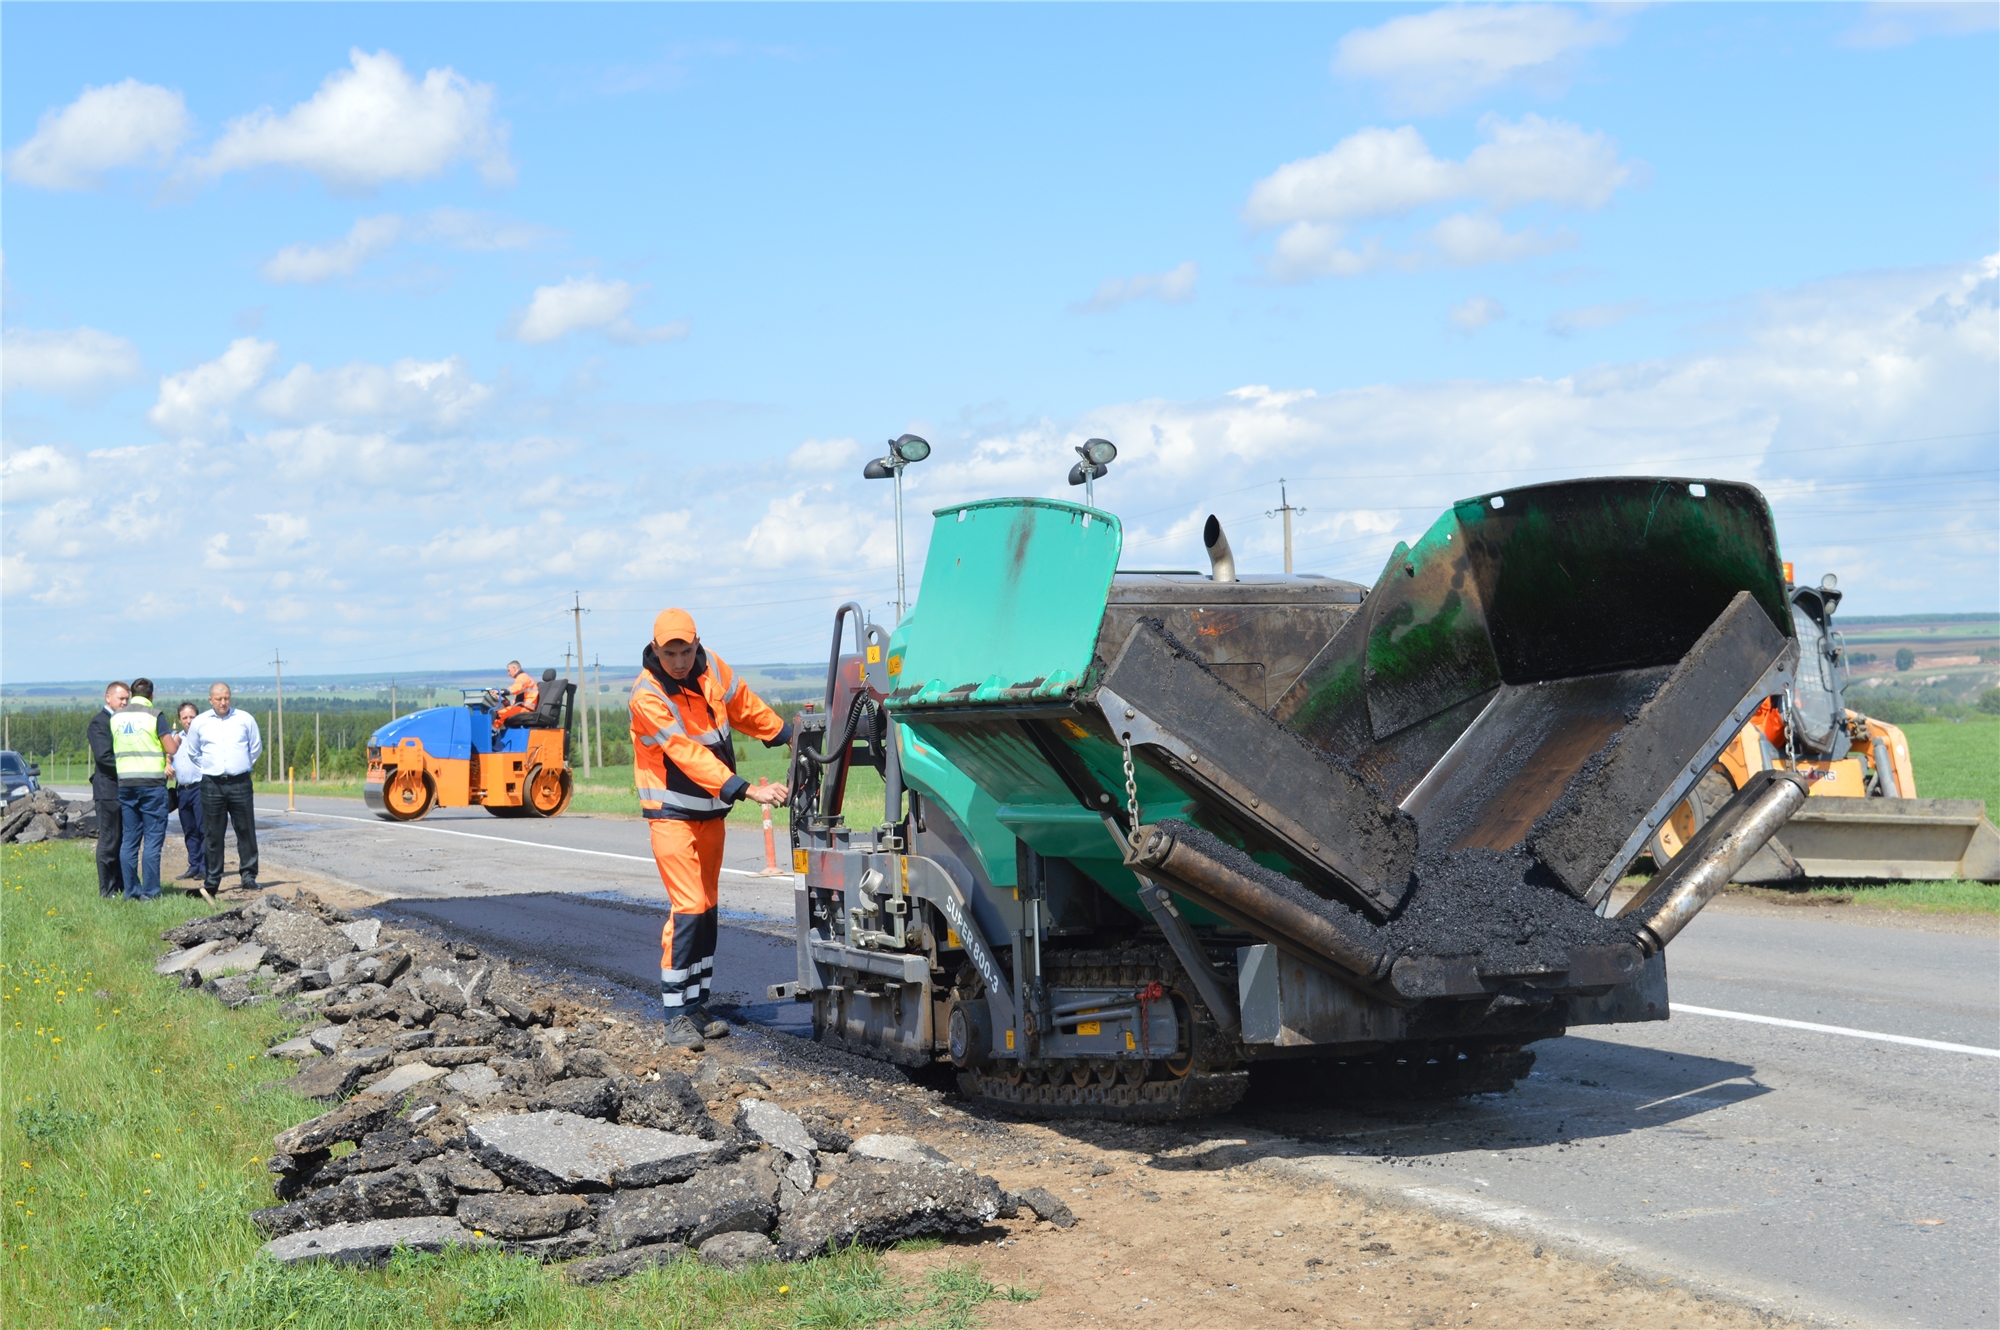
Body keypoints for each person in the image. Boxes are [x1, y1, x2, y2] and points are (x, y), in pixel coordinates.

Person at [630, 608, 791, 1049]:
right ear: (655, 649)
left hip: (709, 811)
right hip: (671, 813)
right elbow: (686, 753)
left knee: (708, 909)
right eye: (670, 653)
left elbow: (743, 705)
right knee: (690, 907)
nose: (679, 661)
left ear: (697, 644)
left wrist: (785, 733)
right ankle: (675, 1017)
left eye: (686, 651)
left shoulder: (712, 667)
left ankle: (697, 1006)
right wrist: (744, 789)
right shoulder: (646, 695)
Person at [183, 682, 262, 895]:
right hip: (212, 784)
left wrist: (240, 766)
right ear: (210, 700)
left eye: (226, 698)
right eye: (218, 699)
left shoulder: (245, 719)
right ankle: (212, 880)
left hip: (240, 782)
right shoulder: (200, 722)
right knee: (212, 834)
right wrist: (212, 767)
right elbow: (193, 752)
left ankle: (248, 876)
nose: (223, 702)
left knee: (245, 831)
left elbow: (255, 748)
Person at [109, 677, 178, 901]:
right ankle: (150, 893)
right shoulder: (155, 715)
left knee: (129, 840)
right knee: (152, 840)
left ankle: (131, 891)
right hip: (151, 785)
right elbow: (170, 748)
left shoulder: (116, 717)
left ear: (131, 694)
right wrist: (174, 742)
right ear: (152, 695)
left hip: (126, 784)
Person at [84, 681, 129, 899]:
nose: (124, 702)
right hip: (108, 791)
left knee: (122, 841)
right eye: (121, 698)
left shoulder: (125, 721)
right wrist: (134, 765)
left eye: (127, 699)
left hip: (124, 790)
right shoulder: (99, 723)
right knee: (109, 841)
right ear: (108, 698)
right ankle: (107, 891)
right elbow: (104, 758)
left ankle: (121, 886)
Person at [169, 702, 207, 887]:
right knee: (189, 830)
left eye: (191, 717)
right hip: (182, 790)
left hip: (200, 787)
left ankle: (205, 867)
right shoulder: (176, 739)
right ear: (179, 720)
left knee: (203, 829)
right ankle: (194, 865)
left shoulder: (204, 738)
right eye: (184, 717)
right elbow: (167, 757)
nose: (188, 721)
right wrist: (166, 764)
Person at [495, 661, 540, 728]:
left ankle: (492, 735)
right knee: (500, 711)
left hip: (525, 709)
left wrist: (503, 691)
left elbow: (517, 687)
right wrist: (505, 702)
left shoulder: (522, 677)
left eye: (509, 670)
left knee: (499, 715)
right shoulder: (523, 677)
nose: (508, 673)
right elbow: (520, 700)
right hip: (523, 707)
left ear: (514, 668)